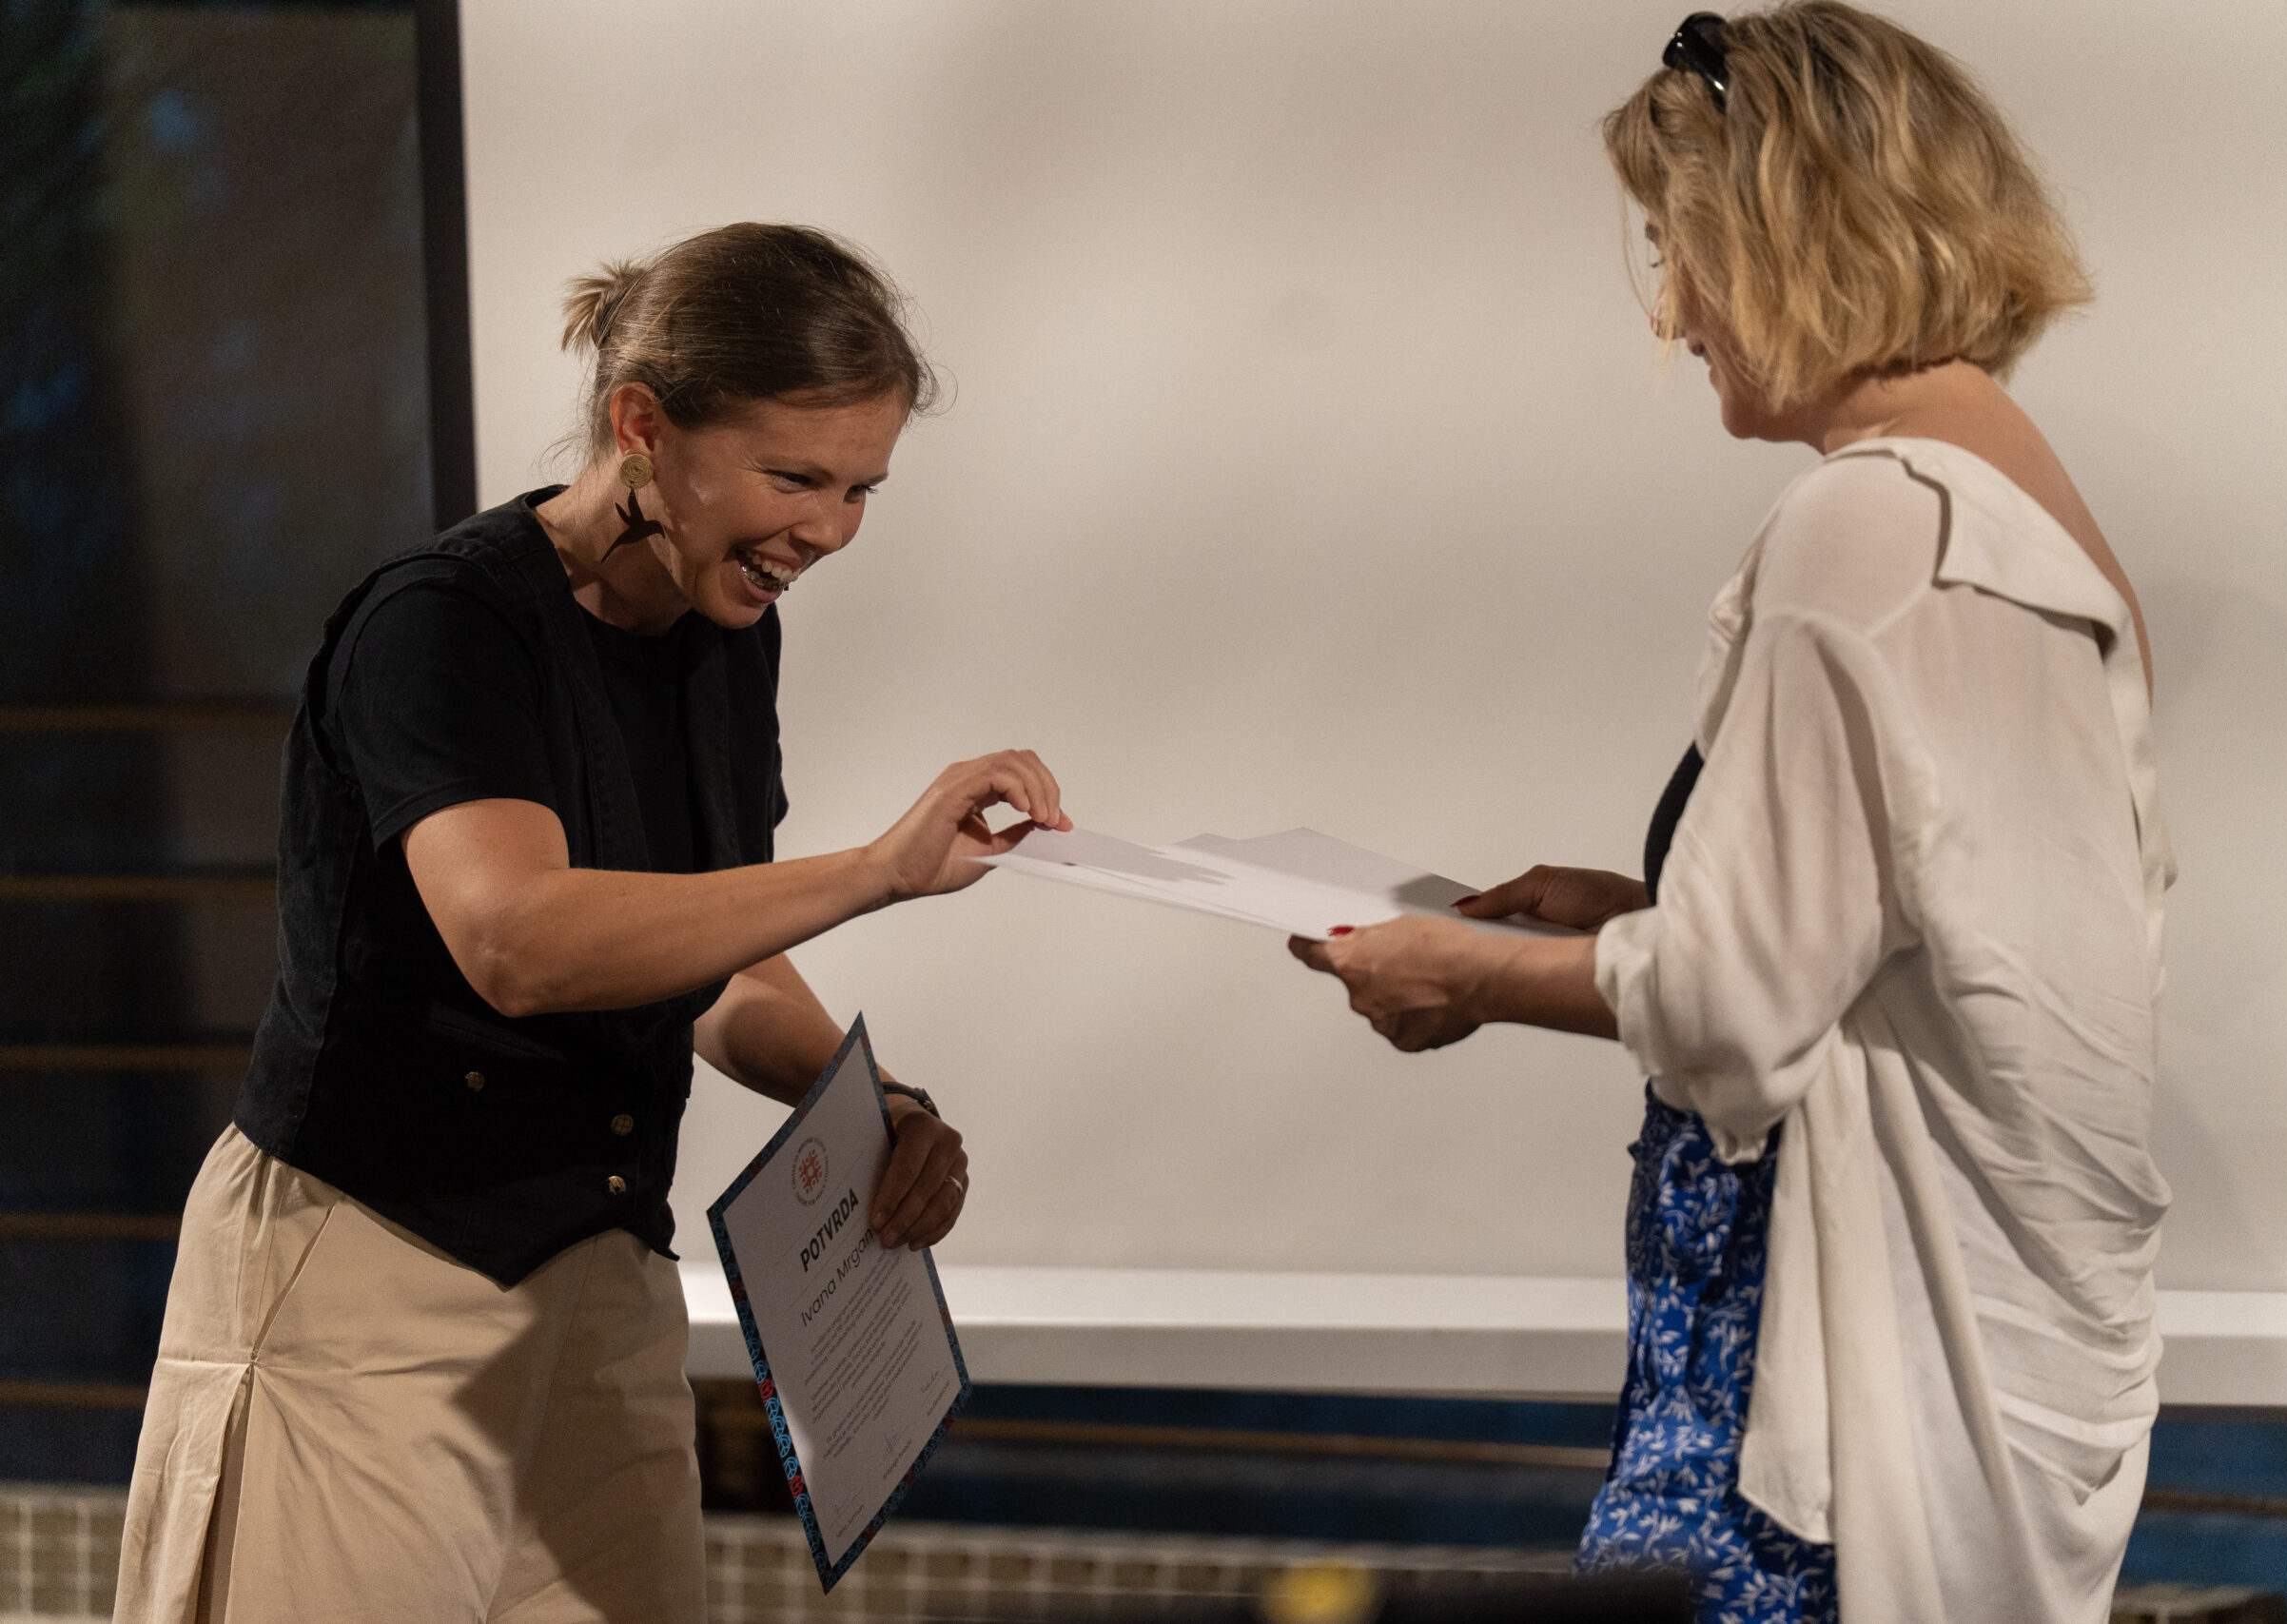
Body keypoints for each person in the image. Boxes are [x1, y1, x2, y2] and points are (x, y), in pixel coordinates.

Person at [1291, 8, 2169, 1621]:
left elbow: (1732, 1001)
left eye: (1678, 246)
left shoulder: (1873, 523)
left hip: (1825, 1385)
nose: (1674, 310)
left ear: (1791, 235)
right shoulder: (2025, 513)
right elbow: (1926, 939)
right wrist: (1639, 908)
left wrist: (1454, 967)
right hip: (1970, 1375)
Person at [112, 222, 1070, 1624]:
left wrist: (871, 1106)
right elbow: (523, 943)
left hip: (602, 1286)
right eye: (794, 477)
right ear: (643, 427)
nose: (826, 529)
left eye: (859, 488)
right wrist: (877, 869)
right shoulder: (442, 625)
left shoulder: (727, 636)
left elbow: (713, 957)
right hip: (366, 1274)